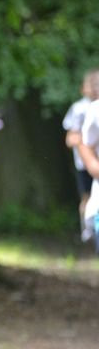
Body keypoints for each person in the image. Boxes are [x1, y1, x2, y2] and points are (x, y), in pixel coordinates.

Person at [63, 72, 96, 242]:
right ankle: (87, 228)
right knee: (86, 197)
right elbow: (71, 137)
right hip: (83, 163)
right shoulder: (79, 109)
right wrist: (85, 144)